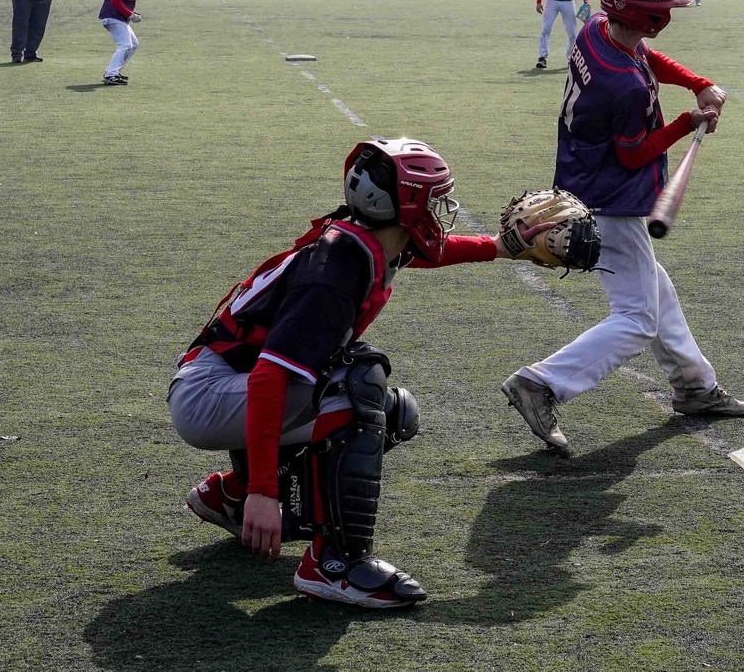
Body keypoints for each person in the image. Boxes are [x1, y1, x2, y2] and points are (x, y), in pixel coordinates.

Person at [171, 138, 557, 609]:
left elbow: (429, 252)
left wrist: (500, 247)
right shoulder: (333, 272)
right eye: (435, 199)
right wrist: (263, 493)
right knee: (358, 386)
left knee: (390, 408)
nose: (442, 209)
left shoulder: (364, 239)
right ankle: (335, 563)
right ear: (407, 205)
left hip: (224, 380)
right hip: (212, 392)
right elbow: (268, 379)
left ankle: (227, 498)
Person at [502, 0, 744, 453]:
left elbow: (644, 58)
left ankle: (695, 387)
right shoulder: (625, 87)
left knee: (657, 291)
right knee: (638, 317)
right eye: (663, 8)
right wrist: (687, 122)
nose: (669, 14)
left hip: (583, 182)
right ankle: (540, 383)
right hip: (609, 202)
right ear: (648, 17)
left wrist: (695, 82)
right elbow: (634, 152)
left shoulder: (596, 29)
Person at [99, 0, 150, 86]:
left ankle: (113, 72)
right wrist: (130, 15)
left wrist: (130, 13)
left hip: (116, 17)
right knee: (125, 44)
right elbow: (115, 1)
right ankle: (111, 74)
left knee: (134, 44)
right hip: (112, 16)